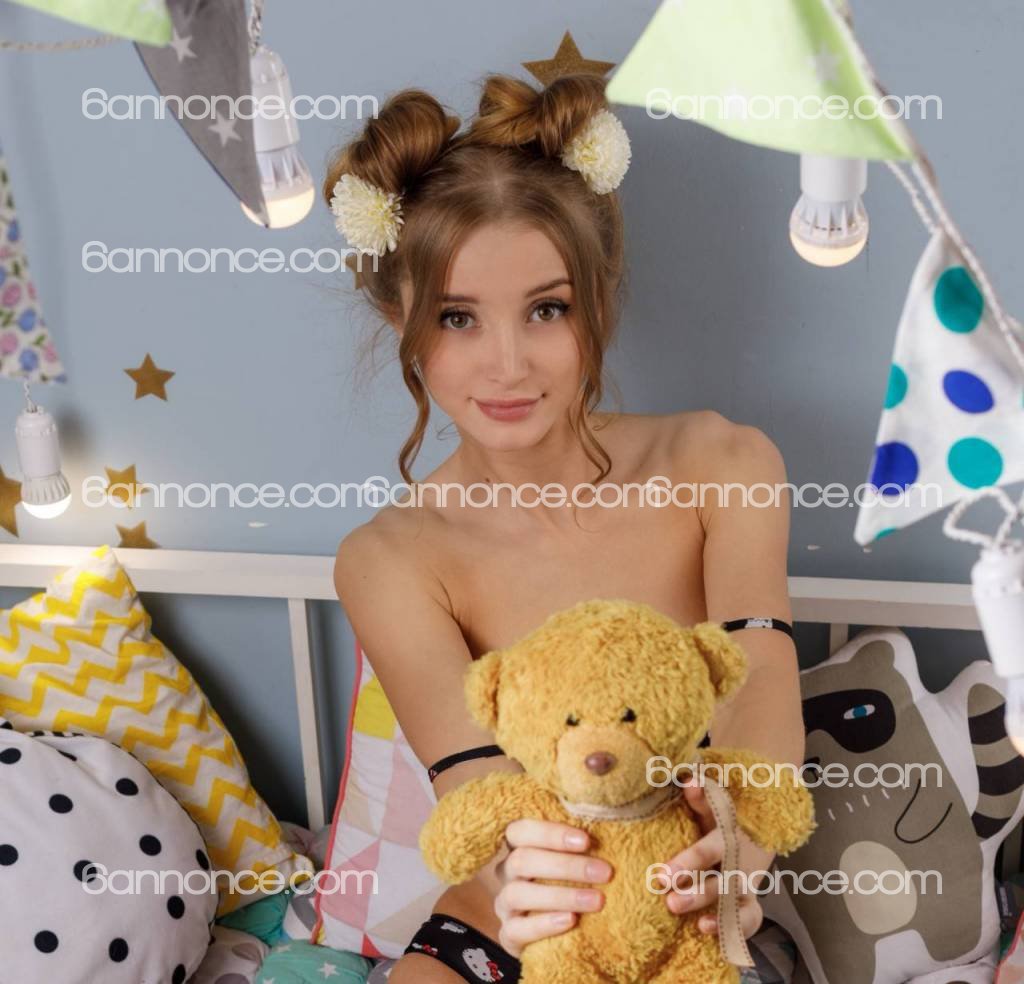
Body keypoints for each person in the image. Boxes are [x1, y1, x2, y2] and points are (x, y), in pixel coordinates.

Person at [328, 70, 806, 984]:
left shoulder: (723, 465)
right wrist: (533, 892)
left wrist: (740, 849)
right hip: (506, 916)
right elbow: (477, 786)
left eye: (546, 309)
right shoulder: (389, 560)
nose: (507, 365)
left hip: (688, 910)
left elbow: (760, 688)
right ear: (401, 317)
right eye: (457, 318)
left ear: (598, 297)